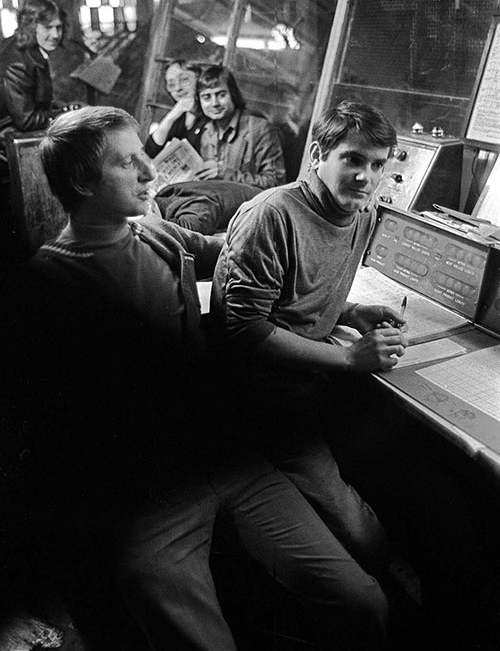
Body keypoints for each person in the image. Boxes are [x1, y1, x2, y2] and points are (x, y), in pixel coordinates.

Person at [2, 105, 390, 651]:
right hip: (145, 499)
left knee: (364, 601)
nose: (150, 170)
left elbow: (227, 251)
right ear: (80, 181)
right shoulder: (47, 286)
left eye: (144, 154)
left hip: (226, 459)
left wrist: (329, 292)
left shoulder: (152, 236)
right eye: (128, 162)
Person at [210, 100, 407, 582]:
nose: (366, 176)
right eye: (353, 159)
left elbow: (296, 295)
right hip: (261, 407)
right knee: (366, 541)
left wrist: (351, 311)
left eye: (377, 164)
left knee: (408, 473)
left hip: (316, 391)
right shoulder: (271, 215)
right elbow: (245, 330)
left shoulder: (360, 213)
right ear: (319, 153)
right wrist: (348, 358)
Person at [195, 64, 286, 189]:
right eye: (206, 97)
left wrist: (224, 174)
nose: (214, 103)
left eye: (221, 95)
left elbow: (276, 183)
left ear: (233, 94)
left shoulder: (259, 129)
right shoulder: (207, 133)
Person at [0, 0, 77, 133]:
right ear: (31, 27)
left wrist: (58, 107)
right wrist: (66, 115)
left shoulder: (29, 49)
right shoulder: (17, 65)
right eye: (48, 27)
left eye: (58, 27)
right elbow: (27, 121)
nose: (55, 35)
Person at [144, 58, 205, 159]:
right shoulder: (178, 116)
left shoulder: (210, 114)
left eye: (184, 80)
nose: (178, 88)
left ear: (199, 81)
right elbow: (150, 151)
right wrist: (171, 117)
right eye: (172, 84)